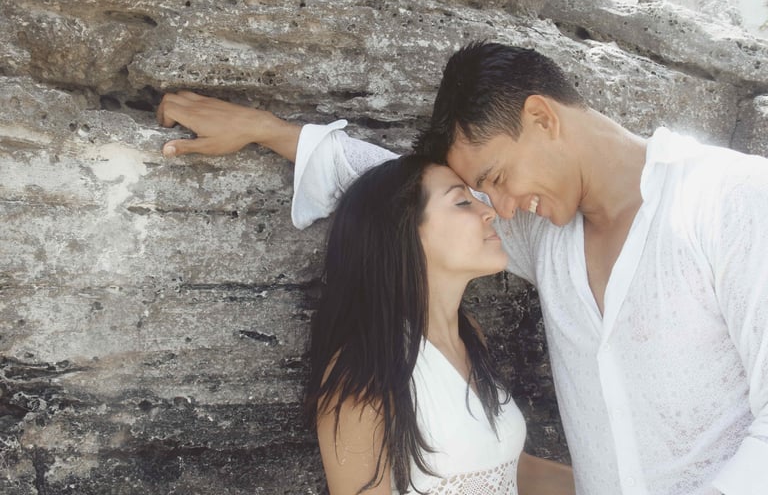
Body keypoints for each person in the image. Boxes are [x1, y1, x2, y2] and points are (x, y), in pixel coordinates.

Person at [156, 42, 768, 495]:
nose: (498, 208)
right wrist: (269, 131)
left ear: (543, 118)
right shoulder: (547, 234)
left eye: (495, 178)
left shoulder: (732, 201)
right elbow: (400, 203)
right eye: (479, 194)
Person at [157, 93, 576, 494]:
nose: (490, 211)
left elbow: (507, 470)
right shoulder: (364, 374)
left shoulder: (471, 337)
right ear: (404, 233)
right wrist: (264, 130)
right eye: (463, 202)